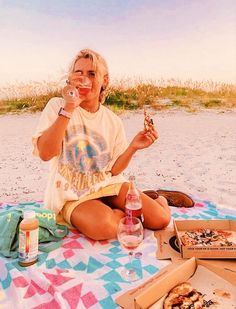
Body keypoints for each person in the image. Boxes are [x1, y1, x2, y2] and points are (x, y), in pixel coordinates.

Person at [32, 48, 171, 240]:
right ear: (70, 77)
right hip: (73, 194)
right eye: (78, 72)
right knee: (105, 227)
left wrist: (133, 147)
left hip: (108, 185)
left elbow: (114, 171)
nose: (84, 79)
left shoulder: (113, 120)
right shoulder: (57, 106)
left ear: (104, 80)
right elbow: (45, 154)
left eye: (92, 74)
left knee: (161, 220)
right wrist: (69, 107)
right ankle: (115, 208)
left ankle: (160, 198)